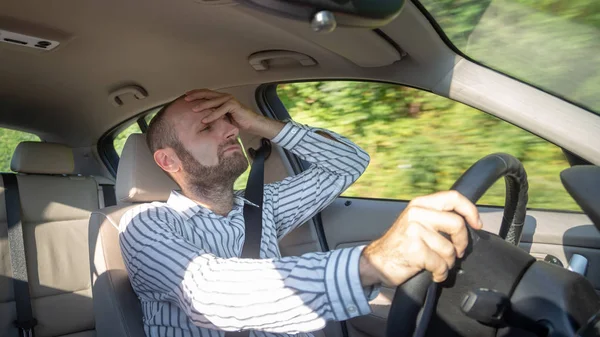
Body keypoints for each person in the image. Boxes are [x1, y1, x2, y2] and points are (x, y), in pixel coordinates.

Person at [119, 89, 483, 337]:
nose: (230, 130)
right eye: (208, 127)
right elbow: (208, 293)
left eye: (228, 121)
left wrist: (256, 122)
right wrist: (374, 262)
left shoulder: (262, 206)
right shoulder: (146, 224)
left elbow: (349, 164)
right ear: (168, 160)